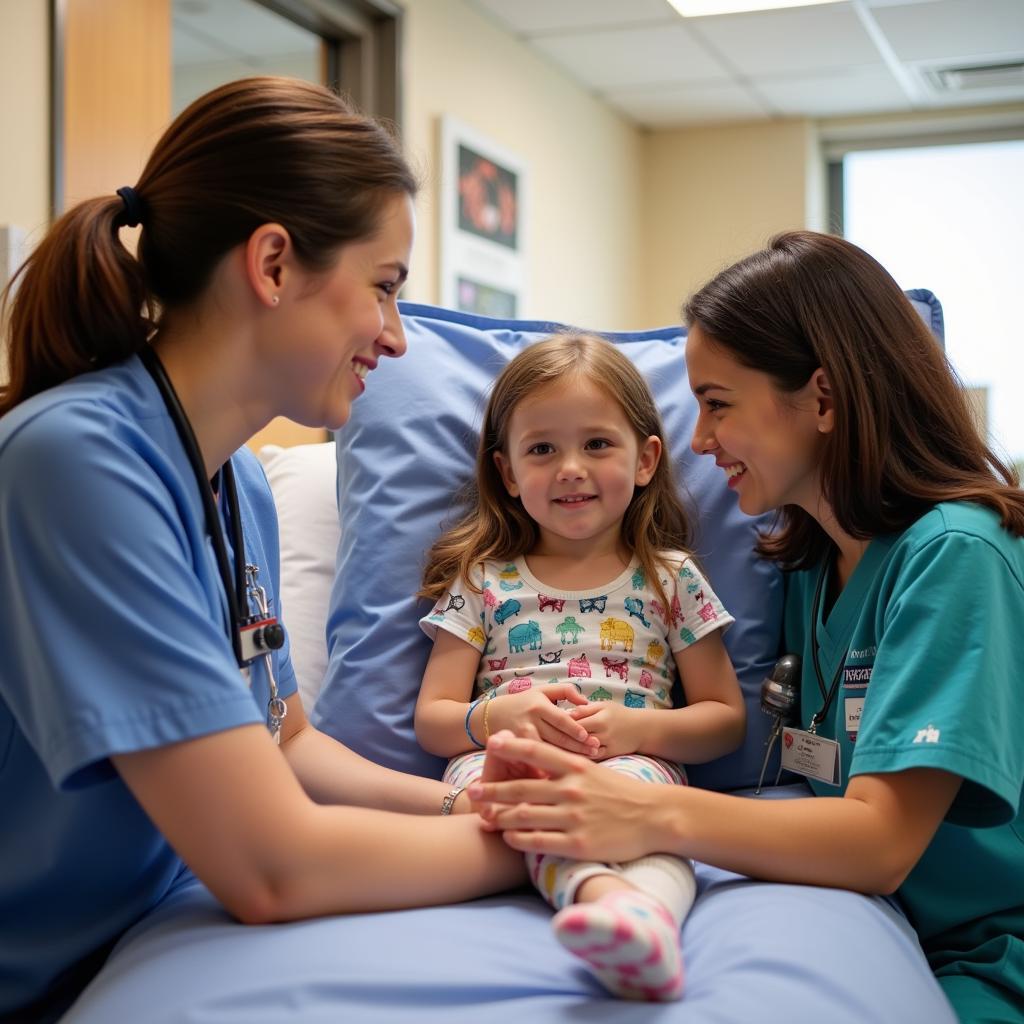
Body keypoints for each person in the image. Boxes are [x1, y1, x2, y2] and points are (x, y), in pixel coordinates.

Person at [0, 77, 527, 1023]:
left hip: (147, 933)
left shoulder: (237, 481)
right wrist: (552, 843)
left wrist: (475, 803)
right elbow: (270, 866)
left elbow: (286, 743)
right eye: (385, 288)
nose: (398, 338)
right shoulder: (73, 463)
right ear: (274, 264)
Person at [468, 231, 1024, 1022]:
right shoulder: (810, 566)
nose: (699, 441)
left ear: (823, 399)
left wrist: (645, 811)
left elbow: (880, 843)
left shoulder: (957, 556)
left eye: (717, 404)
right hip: (886, 928)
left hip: (987, 955)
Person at [414, 334, 746, 1001]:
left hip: (631, 766)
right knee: (516, 799)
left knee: (650, 812)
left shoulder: (671, 578)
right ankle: (615, 902)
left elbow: (725, 722)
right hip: (510, 760)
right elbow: (433, 721)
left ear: (647, 458)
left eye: (597, 444)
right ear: (508, 473)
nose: (570, 468)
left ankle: (642, 912)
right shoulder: (483, 581)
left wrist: (637, 731)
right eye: (542, 449)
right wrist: (494, 717)